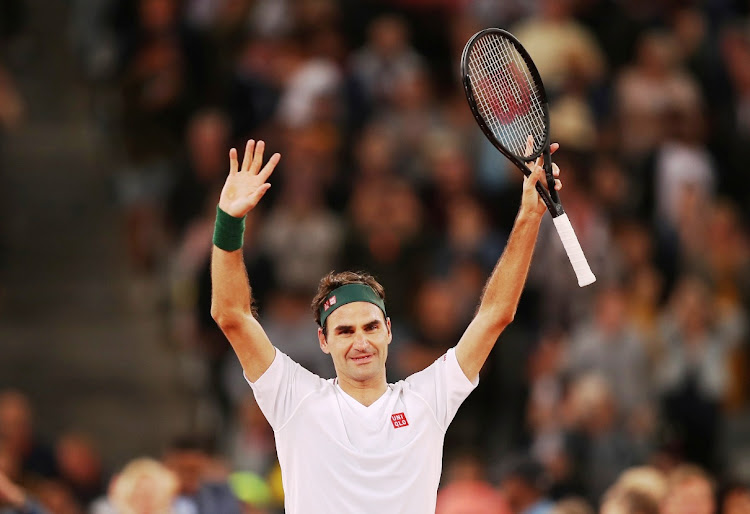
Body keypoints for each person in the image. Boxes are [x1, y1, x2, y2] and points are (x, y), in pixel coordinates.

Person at [210, 137, 563, 513]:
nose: (360, 340)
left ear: (389, 331)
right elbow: (231, 315)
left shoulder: (427, 399)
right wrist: (229, 221)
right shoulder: (296, 400)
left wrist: (529, 215)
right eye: (345, 331)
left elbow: (496, 315)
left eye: (370, 327)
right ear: (323, 340)